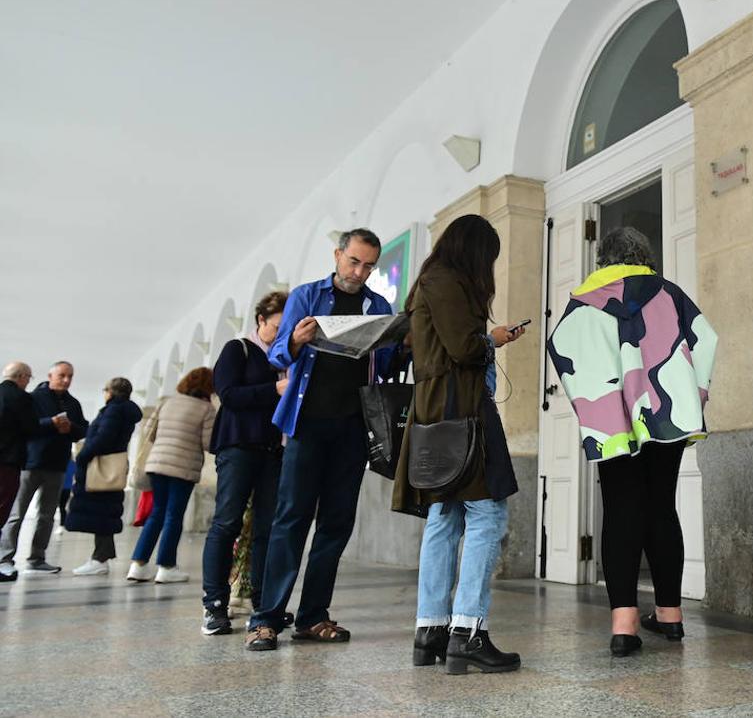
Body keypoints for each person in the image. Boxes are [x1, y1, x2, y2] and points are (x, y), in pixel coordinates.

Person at [547, 226, 718, 658]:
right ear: (646, 257)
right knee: (661, 505)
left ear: (602, 259)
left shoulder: (582, 301)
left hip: (611, 420)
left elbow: (560, 345)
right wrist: (692, 396)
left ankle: (624, 626)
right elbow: (706, 339)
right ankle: (670, 615)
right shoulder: (670, 293)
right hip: (666, 411)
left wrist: (594, 405)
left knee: (622, 508)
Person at [246, 229, 393, 652]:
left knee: (335, 524)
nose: (359, 272)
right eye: (353, 262)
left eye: (368, 266)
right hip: (307, 424)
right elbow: (277, 355)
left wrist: (393, 340)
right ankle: (266, 618)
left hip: (352, 429)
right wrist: (294, 340)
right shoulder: (307, 296)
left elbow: (383, 365)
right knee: (290, 520)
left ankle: (312, 616)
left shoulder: (378, 306)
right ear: (338, 255)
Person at [399, 214, 524, 674]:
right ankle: (467, 632)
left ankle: (430, 630)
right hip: (463, 409)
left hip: (436, 411)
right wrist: (490, 340)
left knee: (444, 513)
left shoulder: (427, 281)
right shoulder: (447, 280)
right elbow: (464, 349)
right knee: (487, 513)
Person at [201, 290, 288, 635]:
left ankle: (264, 603)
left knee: (267, 528)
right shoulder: (238, 349)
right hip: (237, 446)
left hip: (273, 450)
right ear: (261, 321)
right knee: (227, 523)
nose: (282, 333)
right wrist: (275, 389)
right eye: (277, 326)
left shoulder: (285, 359)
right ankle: (214, 605)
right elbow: (229, 394)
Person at [125, 367, 216, 584]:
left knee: (157, 513)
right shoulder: (206, 409)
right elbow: (208, 442)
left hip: (157, 463)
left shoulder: (167, 402)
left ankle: (138, 565)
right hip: (183, 468)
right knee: (174, 516)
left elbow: (150, 431)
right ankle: (167, 567)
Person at [0, 361, 88, 576]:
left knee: (47, 515)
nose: (66, 380)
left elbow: (83, 429)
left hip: (57, 465)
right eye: (62, 375)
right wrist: (51, 422)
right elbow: (25, 426)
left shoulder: (73, 403)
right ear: (50, 375)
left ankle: (37, 558)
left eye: (70, 376)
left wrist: (71, 428)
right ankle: (5, 558)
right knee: (16, 514)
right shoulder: (32, 398)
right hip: (30, 463)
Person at [65, 377, 143, 576]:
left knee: (101, 513)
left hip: (102, 467)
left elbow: (104, 438)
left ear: (110, 391)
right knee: (104, 513)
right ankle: (101, 556)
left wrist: (83, 456)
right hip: (112, 466)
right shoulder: (124, 410)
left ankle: (100, 559)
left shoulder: (114, 410)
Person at [0, 362, 38, 581]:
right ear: (22, 377)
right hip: (7, 460)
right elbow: (31, 428)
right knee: (3, 509)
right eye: (29, 378)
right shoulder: (21, 398)